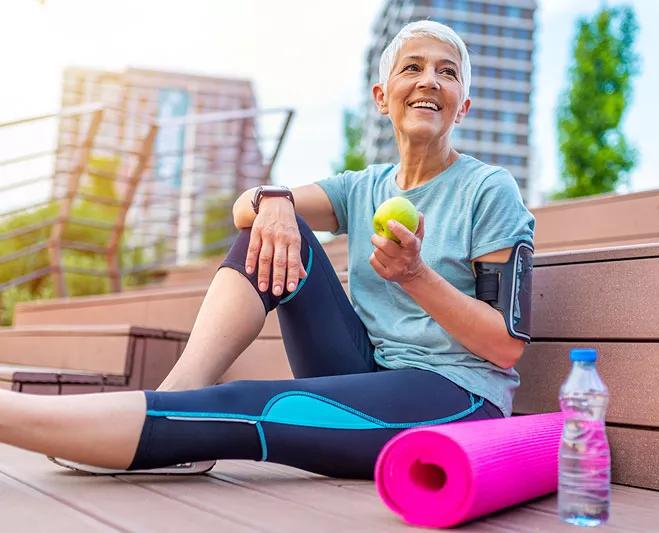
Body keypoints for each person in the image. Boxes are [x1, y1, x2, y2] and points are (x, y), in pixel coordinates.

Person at [1, 20, 535, 479]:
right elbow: (244, 208)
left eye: (446, 71)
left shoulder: (488, 190)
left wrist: (415, 275)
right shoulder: (363, 186)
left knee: (257, 403)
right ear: (382, 97)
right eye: (412, 67)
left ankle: (22, 417)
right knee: (274, 227)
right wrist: (276, 202)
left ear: (462, 105)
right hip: (365, 368)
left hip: (455, 399)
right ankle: (182, 389)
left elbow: (505, 346)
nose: (429, 81)